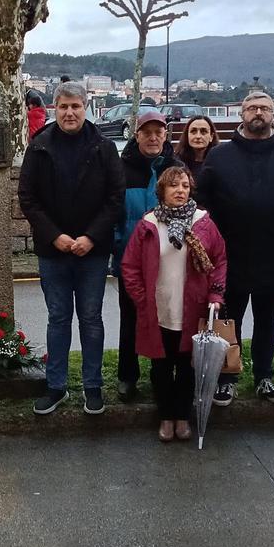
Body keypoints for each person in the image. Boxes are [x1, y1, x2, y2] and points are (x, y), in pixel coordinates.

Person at [197, 91, 274, 406]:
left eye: (265, 108)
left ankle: (264, 376)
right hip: (230, 255)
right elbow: (203, 202)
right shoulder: (220, 155)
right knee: (228, 319)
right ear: (241, 114)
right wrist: (213, 243)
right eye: (252, 107)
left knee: (268, 319)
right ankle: (227, 378)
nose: (258, 113)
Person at [18, 81, 125, 416]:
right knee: (59, 319)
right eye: (63, 107)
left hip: (92, 251)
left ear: (85, 106)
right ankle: (57, 386)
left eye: (75, 106)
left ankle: (92, 387)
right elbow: (28, 199)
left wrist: (91, 237)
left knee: (91, 319)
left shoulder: (104, 147)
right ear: (54, 108)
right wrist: (55, 236)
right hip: (54, 251)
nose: (69, 113)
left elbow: (115, 199)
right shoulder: (39, 145)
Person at [121, 166, 227, 441]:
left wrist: (215, 296)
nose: (180, 191)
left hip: (192, 310)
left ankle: (183, 417)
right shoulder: (148, 224)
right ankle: (165, 417)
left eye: (185, 186)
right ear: (162, 191)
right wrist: (142, 300)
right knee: (161, 368)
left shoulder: (203, 223)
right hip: (160, 311)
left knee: (189, 368)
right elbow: (130, 266)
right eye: (174, 186)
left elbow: (219, 262)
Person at [113, 111, 182, 402]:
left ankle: (160, 376)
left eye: (158, 132)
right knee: (130, 320)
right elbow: (112, 212)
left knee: (165, 321)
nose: (153, 138)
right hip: (130, 260)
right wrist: (118, 246)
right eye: (147, 132)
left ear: (165, 135)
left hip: (168, 261)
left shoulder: (175, 168)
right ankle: (127, 376)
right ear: (136, 135)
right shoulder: (121, 168)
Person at [172, 114, 220, 179]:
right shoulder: (175, 163)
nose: (198, 136)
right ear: (187, 135)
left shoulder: (219, 163)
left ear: (211, 136)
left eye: (203, 132)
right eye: (193, 131)